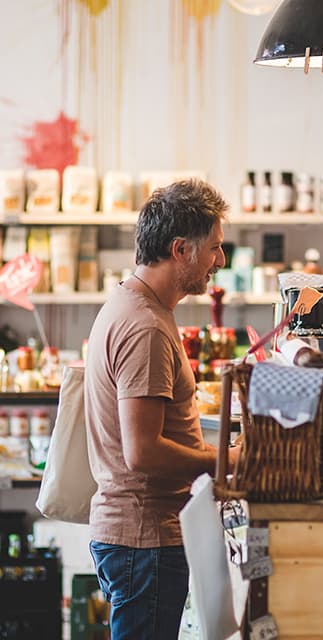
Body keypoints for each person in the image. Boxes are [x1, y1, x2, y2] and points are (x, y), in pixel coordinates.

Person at [85, 179, 235, 639]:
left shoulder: (137, 305)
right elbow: (143, 452)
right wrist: (227, 462)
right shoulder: (144, 326)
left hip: (139, 536)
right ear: (180, 250)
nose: (220, 261)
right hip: (142, 537)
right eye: (214, 248)